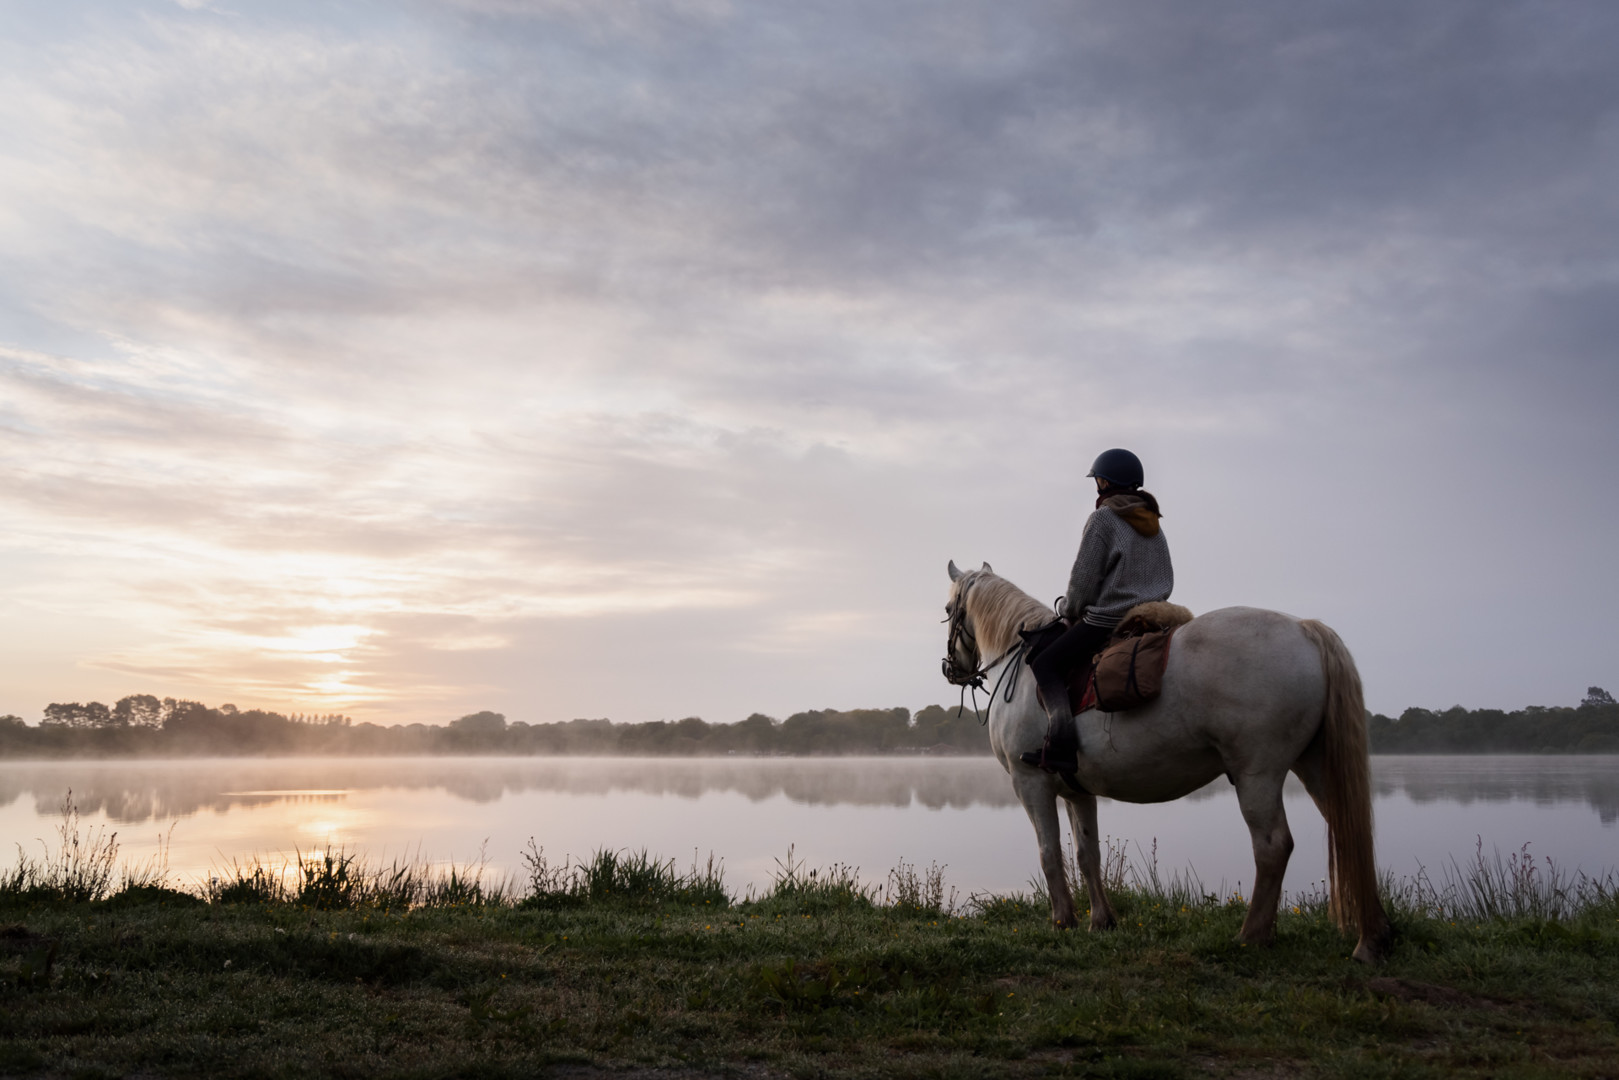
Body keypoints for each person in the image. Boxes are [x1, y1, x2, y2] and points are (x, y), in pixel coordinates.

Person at [1020, 448, 1174, 776]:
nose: (1097, 486)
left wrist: (1069, 607)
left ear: (1105, 481)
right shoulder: (1152, 522)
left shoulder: (1104, 518)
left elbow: (1084, 579)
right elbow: (1165, 576)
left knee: (1043, 662)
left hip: (1109, 619)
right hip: (1155, 613)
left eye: (1098, 480)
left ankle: (1060, 743)